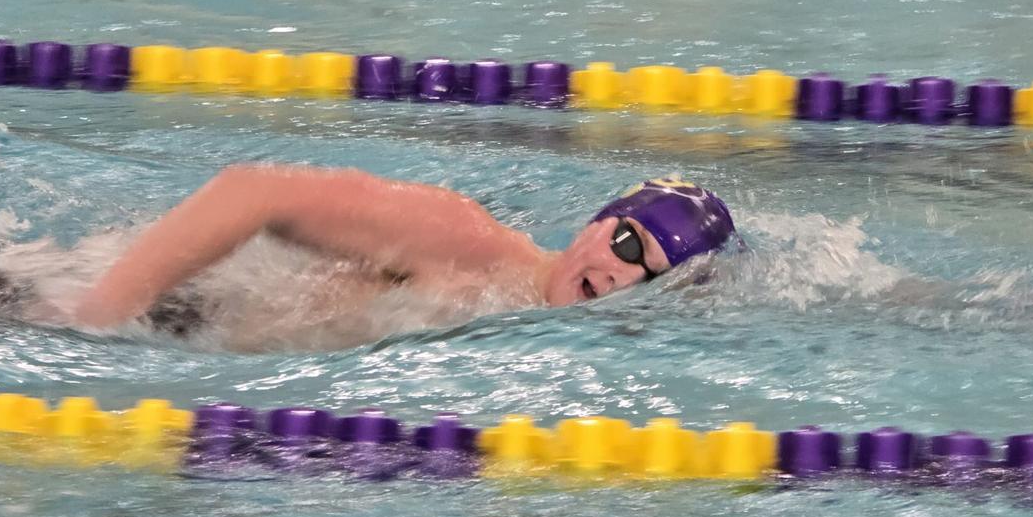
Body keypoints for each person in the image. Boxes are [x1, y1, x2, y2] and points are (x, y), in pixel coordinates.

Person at [68, 165, 740, 330]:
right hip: (156, 310)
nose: (622, 275)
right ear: (596, 223)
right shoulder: (467, 242)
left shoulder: (531, 328)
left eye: (652, 279)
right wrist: (100, 315)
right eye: (627, 243)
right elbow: (252, 191)